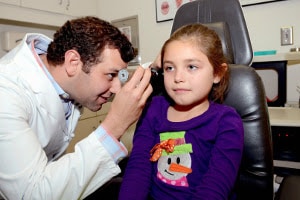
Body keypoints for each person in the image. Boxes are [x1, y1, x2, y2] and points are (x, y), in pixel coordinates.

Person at [0, 16, 153, 200]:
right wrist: (115, 126)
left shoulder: (62, 74)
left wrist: (160, 66)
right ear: (73, 62)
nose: (116, 89)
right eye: (111, 75)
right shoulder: (6, 94)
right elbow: (31, 194)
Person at [119, 24, 244, 200]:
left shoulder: (227, 122)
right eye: (170, 68)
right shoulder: (153, 110)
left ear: (218, 73)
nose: (178, 78)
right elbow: (137, 171)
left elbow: (215, 188)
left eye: (191, 67)